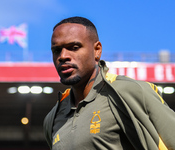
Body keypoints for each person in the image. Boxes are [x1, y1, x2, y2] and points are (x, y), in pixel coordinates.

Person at [43, 16, 175, 150]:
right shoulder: (53, 118)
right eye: (56, 50)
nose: (63, 56)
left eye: (74, 47)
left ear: (97, 50)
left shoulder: (130, 92)